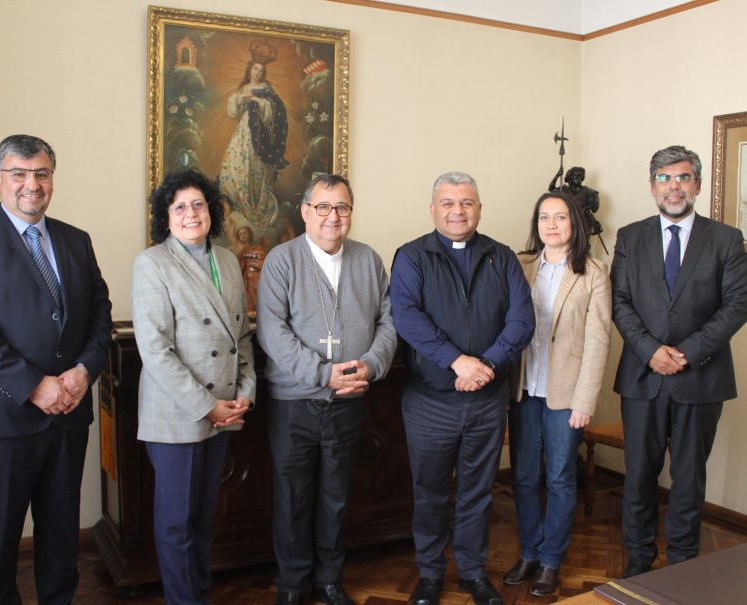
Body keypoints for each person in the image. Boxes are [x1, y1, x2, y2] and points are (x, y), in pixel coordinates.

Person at [0, 134, 113, 604]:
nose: (31, 184)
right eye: (19, 174)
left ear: (52, 180)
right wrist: (34, 386)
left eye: (41, 173)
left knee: (61, 538)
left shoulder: (76, 240)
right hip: (2, 418)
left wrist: (84, 371)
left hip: (68, 414)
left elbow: (100, 312)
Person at [390, 171, 535, 605]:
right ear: (433, 209)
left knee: (477, 492)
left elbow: (522, 319)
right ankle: (431, 574)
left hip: (487, 400)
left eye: (467, 203)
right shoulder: (412, 256)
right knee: (430, 493)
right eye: (449, 203)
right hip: (430, 400)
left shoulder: (501, 256)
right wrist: (457, 360)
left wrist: (487, 364)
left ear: (479, 208)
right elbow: (407, 317)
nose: (458, 211)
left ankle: (473, 572)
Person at [257, 174, 396, 605]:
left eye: (342, 208)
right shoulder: (281, 260)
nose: (332, 217)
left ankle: (330, 579)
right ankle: (294, 585)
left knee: (336, 497)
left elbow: (389, 323)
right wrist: (322, 373)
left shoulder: (369, 260)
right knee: (293, 498)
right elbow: (271, 331)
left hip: (349, 400)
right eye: (323, 207)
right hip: (294, 403)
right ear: (304, 211)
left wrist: (371, 366)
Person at [611, 145, 747, 578]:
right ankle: (639, 561)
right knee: (638, 478)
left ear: (698, 185)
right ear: (653, 186)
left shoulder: (726, 238)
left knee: (689, 480)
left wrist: (685, 354)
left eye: (683, 178)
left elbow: (737, 305)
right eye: (665, 179)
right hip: (641, 376)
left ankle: (683, 567)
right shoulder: (630, 236)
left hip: (701, 378)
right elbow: (620, 302)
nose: (675, 187)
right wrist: (651, 351)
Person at [131, 169, 256, 605]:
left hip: (225, 409)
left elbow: (241, 336)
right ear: (166, 216)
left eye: (198, 204)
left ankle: (196, 596)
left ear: (212, 211)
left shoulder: (225, 260)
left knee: (202, 522)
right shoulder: (152, 264)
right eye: (180, 206)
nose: (190, 213)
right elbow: (155, 350)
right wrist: (208, 406)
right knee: (177, 526)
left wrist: (246, 392)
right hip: (179, 414)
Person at [504, 191, 612, 596]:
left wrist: (585, 402)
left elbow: (600, 342)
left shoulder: (593, 272)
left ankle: (551, 560)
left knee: (562, 478)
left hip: (565, 394)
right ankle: (530, 552)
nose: (551, 225)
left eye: (560, 217)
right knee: (525, 476)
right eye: (544, 217)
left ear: (574, 224)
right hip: (523, 389)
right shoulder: (520, 264)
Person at [219, 39, 289, 233]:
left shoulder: (267, 90)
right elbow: (233, 112)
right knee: (235, 166)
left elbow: (272, 114)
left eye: (260, 70)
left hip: (260, 136)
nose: (257, 73)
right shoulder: (243, 89)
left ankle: (256, 210)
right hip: (243, 132)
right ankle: (240, 207)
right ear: (249, 70)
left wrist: (258, 101)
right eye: (254, 69)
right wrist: (241, 98)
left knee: (256, 169)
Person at [550, 166, 603, 236]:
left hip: (583, 220)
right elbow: (551, 189)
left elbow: (594, 207)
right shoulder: (564, 190)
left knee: (584, 240)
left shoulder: (588, 191)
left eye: (579, 177)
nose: (577, 179)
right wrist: (557, 175)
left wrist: (585, 208)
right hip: (567, 219)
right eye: (574, 177)